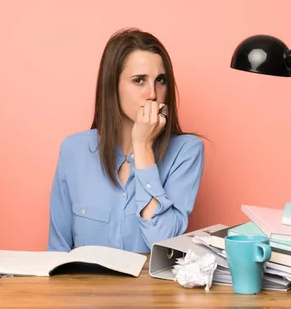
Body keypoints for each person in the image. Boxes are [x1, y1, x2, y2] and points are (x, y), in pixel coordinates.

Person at [47, 28, 205, 253]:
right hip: (84, 288)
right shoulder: (74, 150)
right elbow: (57, 250)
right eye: (139, 80)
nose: (152, 93)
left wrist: (142, 148)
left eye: (160, 80)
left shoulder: (187, 151)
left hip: (152, 289)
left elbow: (163, 243)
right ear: (113, 86)